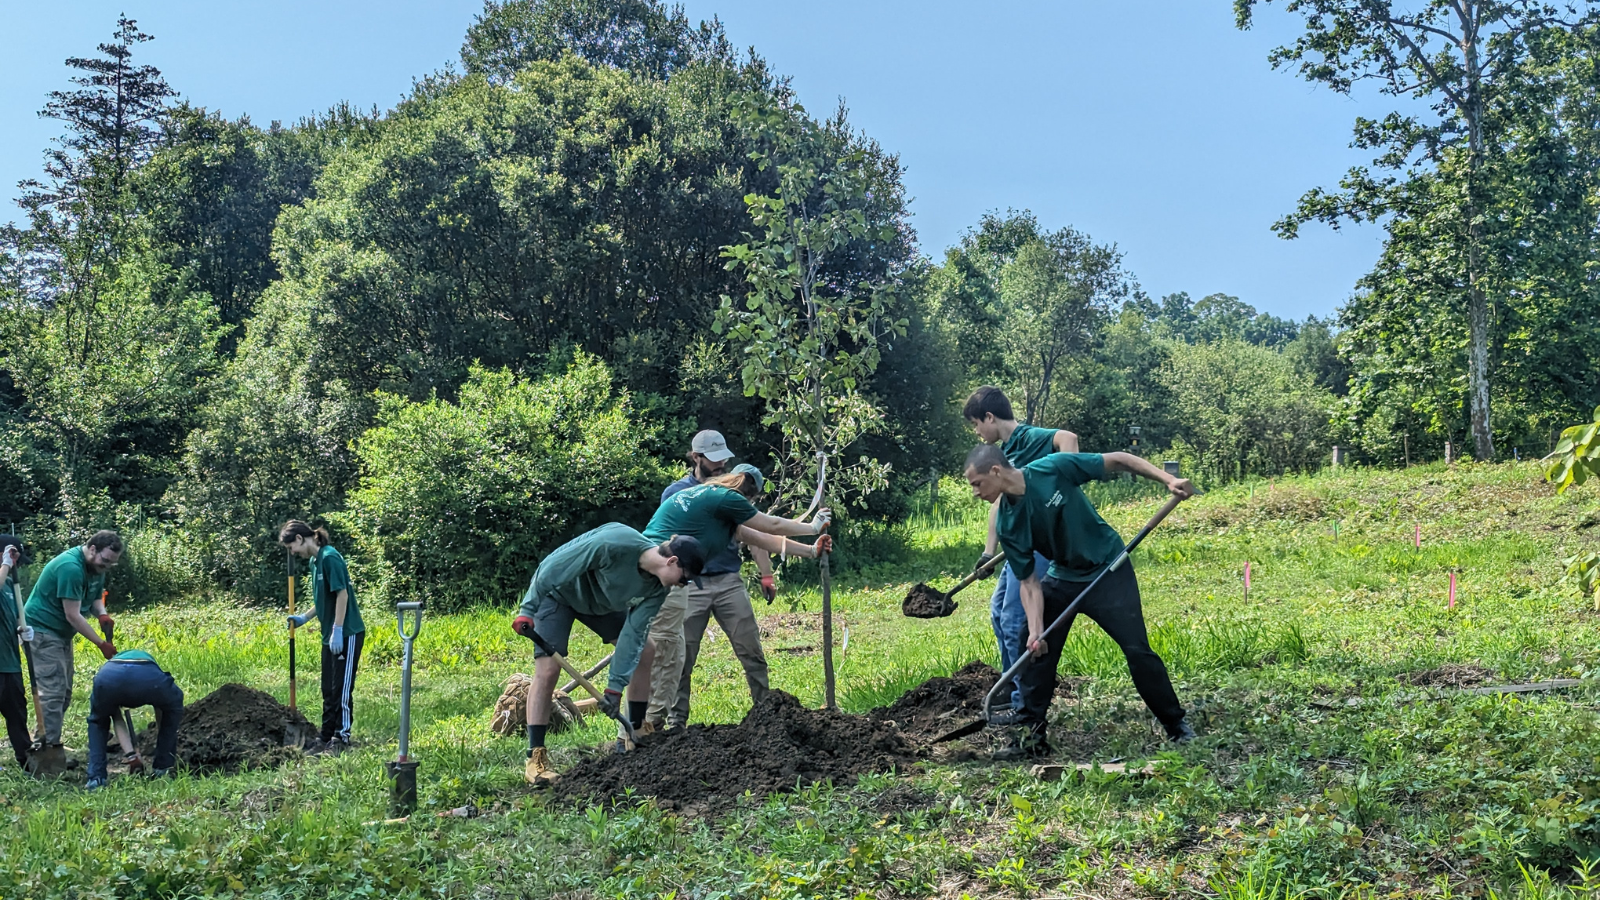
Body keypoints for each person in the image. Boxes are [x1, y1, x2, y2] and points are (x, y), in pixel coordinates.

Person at [963, 443, 1196, 760]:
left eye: (976, 483)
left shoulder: (1052, 469)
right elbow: (1029, 582)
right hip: (1062, 577)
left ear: (995, 471)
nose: (975, 493)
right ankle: (1031, 739)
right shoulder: (1007, 522)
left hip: (1108, 568)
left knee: (1137, 649)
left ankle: (1176, 725)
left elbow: (1117, 460)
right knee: (1031, 647)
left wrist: (1166, 480)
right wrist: (1035, 631)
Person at [639, 442, 833, 733]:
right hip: (673, 578)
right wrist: (811, 527)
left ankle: (764, 713)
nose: (751, 503)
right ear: (741, 487)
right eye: (750, 496)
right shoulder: (725, 497)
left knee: (708, 650)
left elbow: (760, 538)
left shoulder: (713, 500)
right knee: (674, 654)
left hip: (704, 579)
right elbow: (772, 525)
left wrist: (810, 551)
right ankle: (660, 725)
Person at [512, 523, 707, 785]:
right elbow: (552, 567)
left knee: (646, 650)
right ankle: (535, 758)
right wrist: (528, 608)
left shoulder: (658, 588)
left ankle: (634, 732)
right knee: (548, 670)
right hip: (559, 596)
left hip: (598, 605)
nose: (683, 585)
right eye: (685, 579)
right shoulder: (614, 544)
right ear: (672, 561)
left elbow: (633, 635)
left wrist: (614, 689)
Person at [963, 386, 1079, 719]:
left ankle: (1021, 704)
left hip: (1042, 541)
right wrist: (988, 552)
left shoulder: (1029, 437)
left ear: (989, 417)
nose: (977, 432)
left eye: (976, 424)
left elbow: (1067, 438)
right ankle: (1010, 687)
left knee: (1016, 618)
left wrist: (1064, 492)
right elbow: (998, 504)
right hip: (1019, 540)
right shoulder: (1004, 453)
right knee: (999, 610)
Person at [22, 531, 122, 776]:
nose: (106, 566)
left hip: (61, 634)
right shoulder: (70, 568)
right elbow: (73, 615)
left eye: (111, 563)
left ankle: (52, 745)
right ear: (91, 548)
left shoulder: (95, 569)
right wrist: (101, 643)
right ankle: (45, 756)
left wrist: (102, 613)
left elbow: (96, 595)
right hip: (43, 631)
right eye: (104, 561)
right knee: (52, 694)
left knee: (64, 693)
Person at [280, 521, 365, 755]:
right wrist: (304, 618)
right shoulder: (315, 562)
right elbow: (322, 599)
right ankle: (325, 737)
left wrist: (338, 629)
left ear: (299, 539)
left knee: (342, 688)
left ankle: (341, 737)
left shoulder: (330, 557)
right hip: (330, 635)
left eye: (291, 548)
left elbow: (342, 594)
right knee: (327, 688)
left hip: (347, 633)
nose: (293, 553)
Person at [84, 648, 183, 789]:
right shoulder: (150, 665)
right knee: (172, 706)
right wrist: (165, 736)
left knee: (98, 722)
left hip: (107, 680)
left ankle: (96, 778)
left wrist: (132, 755)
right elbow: (163, 710)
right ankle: (163, 767)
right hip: (150, 680)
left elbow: (117, 718)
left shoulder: (112, 667)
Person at [0, 536, 32, 770]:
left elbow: (14, 617)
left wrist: (22, 630)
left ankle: (27, 759)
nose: (17, 566)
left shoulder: (11, 587)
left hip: (10, 662)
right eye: (14, 560)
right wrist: (5, 565)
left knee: (18, 714)